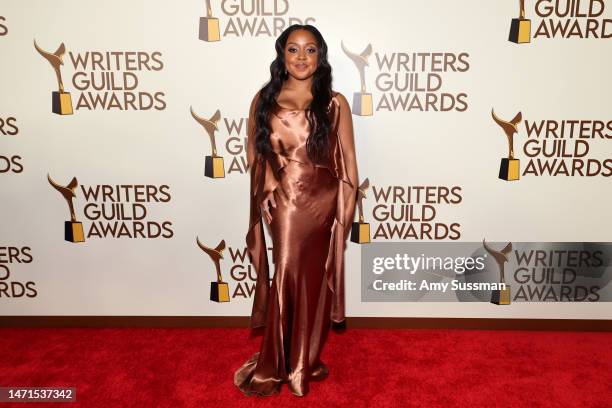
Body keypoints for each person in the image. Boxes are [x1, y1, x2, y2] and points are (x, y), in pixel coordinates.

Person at [233, 24, 359, 397]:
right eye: (293, 49)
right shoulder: (264, 98)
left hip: (323, 200)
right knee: (287, 268)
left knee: (313, 278)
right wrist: (267, 180)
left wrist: (344, 208)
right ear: (281, 55)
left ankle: (303, 359)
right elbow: (254, 152)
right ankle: (277, 362)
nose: (301, 57)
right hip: (284, 198)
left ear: (320, 57)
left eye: (310, 50)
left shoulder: (335, 102)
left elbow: (349, 159)